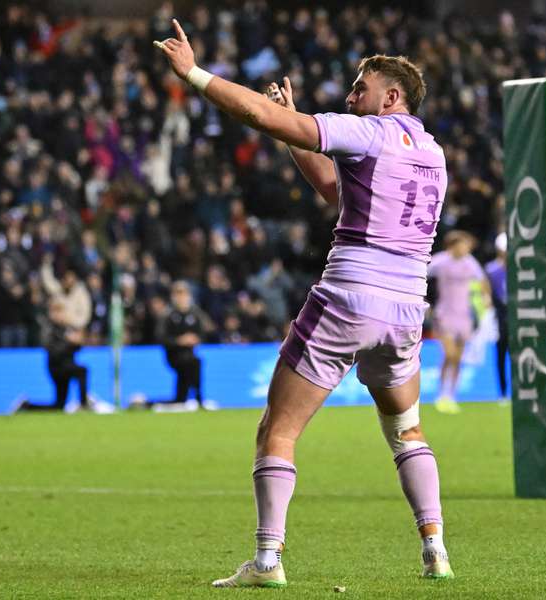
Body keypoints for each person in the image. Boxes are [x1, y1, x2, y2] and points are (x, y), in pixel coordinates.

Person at [156, 20, 453, 587]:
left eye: (360, 88)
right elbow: (337, 194)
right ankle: (435, 547)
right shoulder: (434, 154)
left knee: (278, 430)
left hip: (348, 295)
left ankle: (267, 561)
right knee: (407, 431)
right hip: (407, 308)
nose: (350, 97)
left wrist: (194, 73)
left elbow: (260, 115)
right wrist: (297, 135)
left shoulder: (369, 133)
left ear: (391, 97)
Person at [428, 230, 489, 414]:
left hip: (464, 315)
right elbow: (423, 272)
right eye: (462, 245)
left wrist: (486, 296)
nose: (466, 248)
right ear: (453, 246)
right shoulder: (441, 260)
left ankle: (451, 395)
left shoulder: (469, 262)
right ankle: (441, 394)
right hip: (445, 314)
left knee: (458, 358)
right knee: (450, 354)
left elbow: (483, 280)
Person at [152, 281, 210, 412]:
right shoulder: (167, 315)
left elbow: (205, 332)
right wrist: (180, 341)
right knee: (193, 363)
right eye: (178, 294)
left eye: (183, 294)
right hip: (173, 354)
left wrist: (196, 339)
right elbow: (161, 337)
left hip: (189, 353)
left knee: (193, 364)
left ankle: (181, 399)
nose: (181, 297)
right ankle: (198, 398)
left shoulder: (195, 313)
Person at [485, 232, 509, 403]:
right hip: (499, 318)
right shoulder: (491, 270)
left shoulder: (521, 268)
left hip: (518, 319)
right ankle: (503, 393)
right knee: (500, 356)